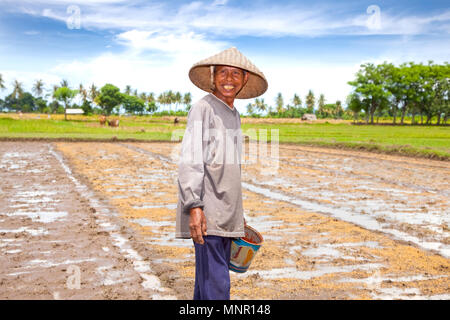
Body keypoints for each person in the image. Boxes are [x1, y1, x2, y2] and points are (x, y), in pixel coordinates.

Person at [176, 47, 268, 300]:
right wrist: (195, 206)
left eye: (235, 74)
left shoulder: (233, 114)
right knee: (217, 286)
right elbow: (190, 160)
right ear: (213, 76)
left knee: (206, 286)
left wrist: (237, 216)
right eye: (223, 73)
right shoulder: (203, 109)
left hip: (226, 216)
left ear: (245, 79)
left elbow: (227, 169)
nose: (229, 79)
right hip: (208, 215)